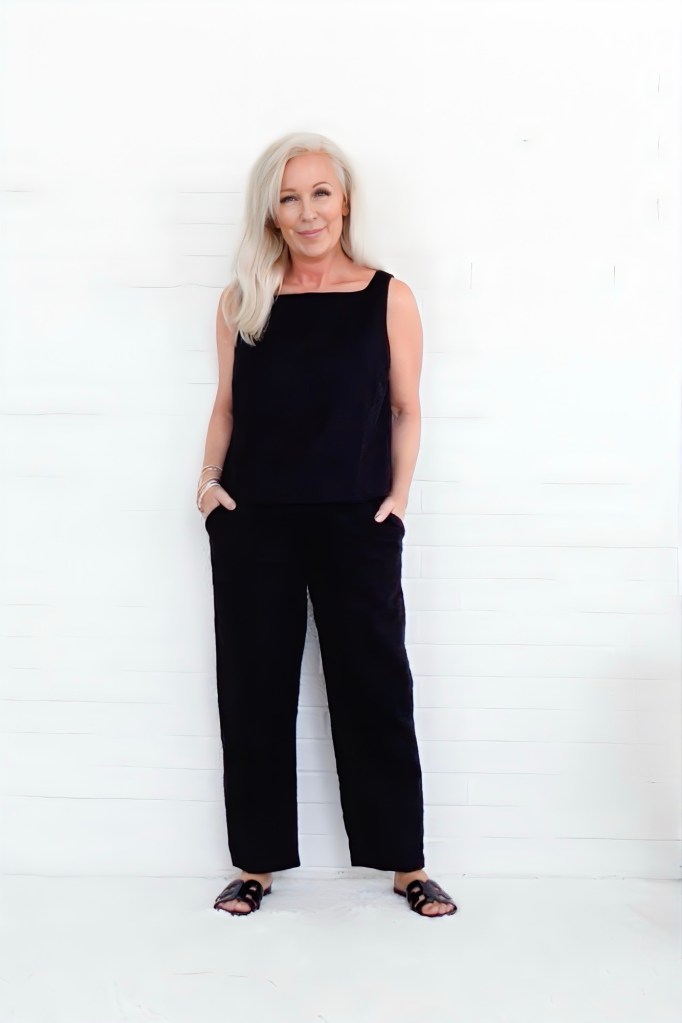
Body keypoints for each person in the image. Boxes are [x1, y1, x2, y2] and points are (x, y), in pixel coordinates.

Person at [197, 131, 457, 919]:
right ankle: (256, 864)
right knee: (254, 690)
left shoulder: (388, 296)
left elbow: (407, 408)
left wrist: (397, 499)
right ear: (271, 214)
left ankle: (406, 863)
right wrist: (208, 485)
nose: (307, 211)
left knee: (375, 686)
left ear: (344, 202)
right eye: (288, 197)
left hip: (356, 519)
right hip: (255, 521)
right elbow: (226, 407)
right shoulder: (244, 299)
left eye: (319, 193)